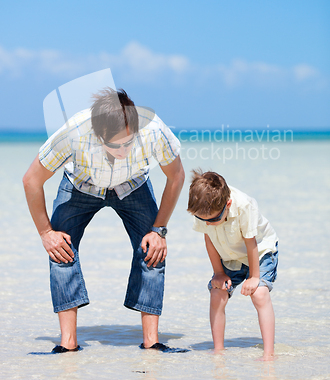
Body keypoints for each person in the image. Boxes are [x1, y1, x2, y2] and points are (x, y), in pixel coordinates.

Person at [23, 88, 185, 353]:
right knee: (60, 250)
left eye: (129, 142)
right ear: (97, 136)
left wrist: (159, 229)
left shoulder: (153, 129)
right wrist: (45, 233)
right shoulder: (74, 131)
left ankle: (152, 342)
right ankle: (68, 344)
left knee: (153, 250)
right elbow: (31, 180)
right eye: (115, 145)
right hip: (81, 186)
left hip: (133, 185)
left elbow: (176, 176)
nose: (124, 149)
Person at [187, 170, 278, 361]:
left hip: (259, 250)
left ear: (227, 204)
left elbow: (250, 241)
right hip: (230, 254)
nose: (208, 224)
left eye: (212, 219)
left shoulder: (245, 205)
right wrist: (218, 273)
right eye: (202, 220)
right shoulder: (203, 210)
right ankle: (218, 351)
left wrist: (254, 277)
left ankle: (269, 354)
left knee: (260, 293)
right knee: (217, 292)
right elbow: (209, 239)